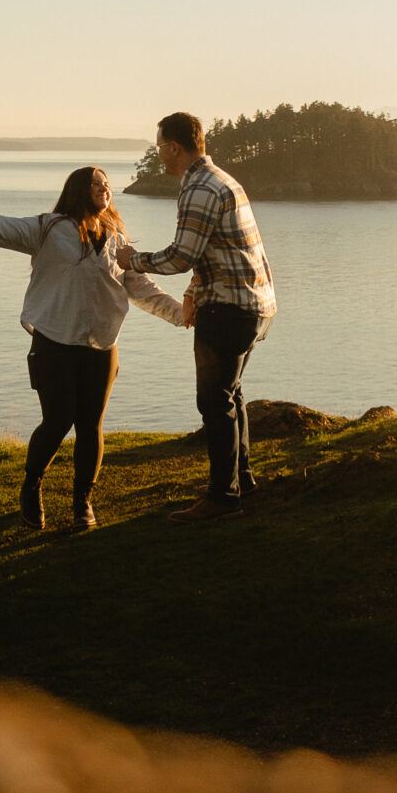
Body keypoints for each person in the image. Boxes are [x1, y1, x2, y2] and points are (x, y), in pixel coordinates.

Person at [0, 166, 185, 531]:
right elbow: (0, 227)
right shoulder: (49, 229)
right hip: (53, 344)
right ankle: (32, 486)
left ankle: (83, 503)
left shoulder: (117, 241)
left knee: (90, 425)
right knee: (59, 419)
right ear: (79, 189)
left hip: (101, 348)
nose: (104, 189)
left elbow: (143, 290)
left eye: (107, 184)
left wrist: (182, 314)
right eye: (96, 183)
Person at [119, 111, 277, 521]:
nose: (158, 156)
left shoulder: (199, 188)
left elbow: (182, 257)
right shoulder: (223, 179)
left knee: (213, 399)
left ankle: (223, 499)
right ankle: (242, 481)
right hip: (254, 304)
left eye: (160, 147)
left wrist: (131, 260)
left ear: (174, 147)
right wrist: (193, 291)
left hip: (227, 308)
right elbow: (220, 252)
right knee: (231, 392)